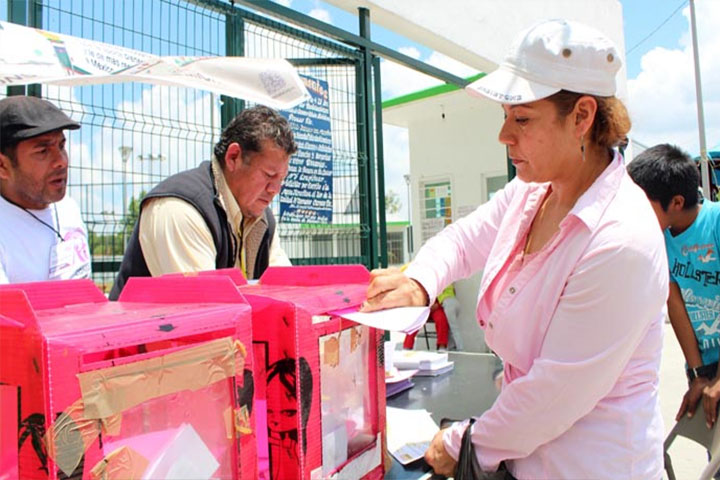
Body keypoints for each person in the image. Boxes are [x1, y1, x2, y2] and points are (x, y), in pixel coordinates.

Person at [363, 19, 668, 479]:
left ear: (582, 117)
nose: (504, 135)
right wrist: (419, 282)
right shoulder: (533, 192)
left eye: (522, 119)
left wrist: (459, 443)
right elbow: (463, 239)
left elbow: (551, 397)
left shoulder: (621, 239)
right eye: (505, 116)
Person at [110, 105, 296, 299]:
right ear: (233, 157)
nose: (275, 189)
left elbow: (288, 295)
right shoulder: (181, 209)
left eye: (281, 179)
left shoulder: (261, 219)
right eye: (269, 175)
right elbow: (208, 306)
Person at [628, 145, 720, 425]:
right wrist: (698, 373)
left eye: (643, 204)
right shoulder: (660, 240)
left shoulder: (715, 222)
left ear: (677, 202)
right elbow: (675, 303)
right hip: (705, 363)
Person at [0, 96, 90, 283]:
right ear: (3, 166)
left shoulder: (68, 209)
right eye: (43, 151)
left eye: (61, 146)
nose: (61, 161)